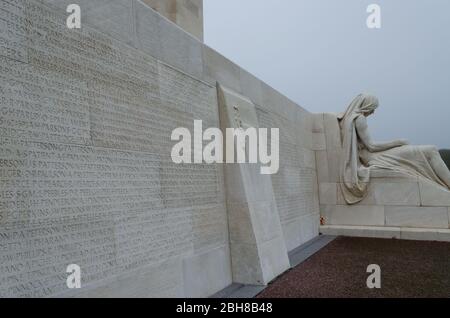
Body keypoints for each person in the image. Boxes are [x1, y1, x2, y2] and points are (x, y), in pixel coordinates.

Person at [338, 94, 450, 204]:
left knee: (430, 150)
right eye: (372, 108)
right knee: (431, 150)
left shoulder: (350, 119)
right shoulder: (359, 118)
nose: (373, 112)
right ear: (366, 106)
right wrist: (397, 142)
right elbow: (371, 146)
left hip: (374, 154)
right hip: (375, 156)